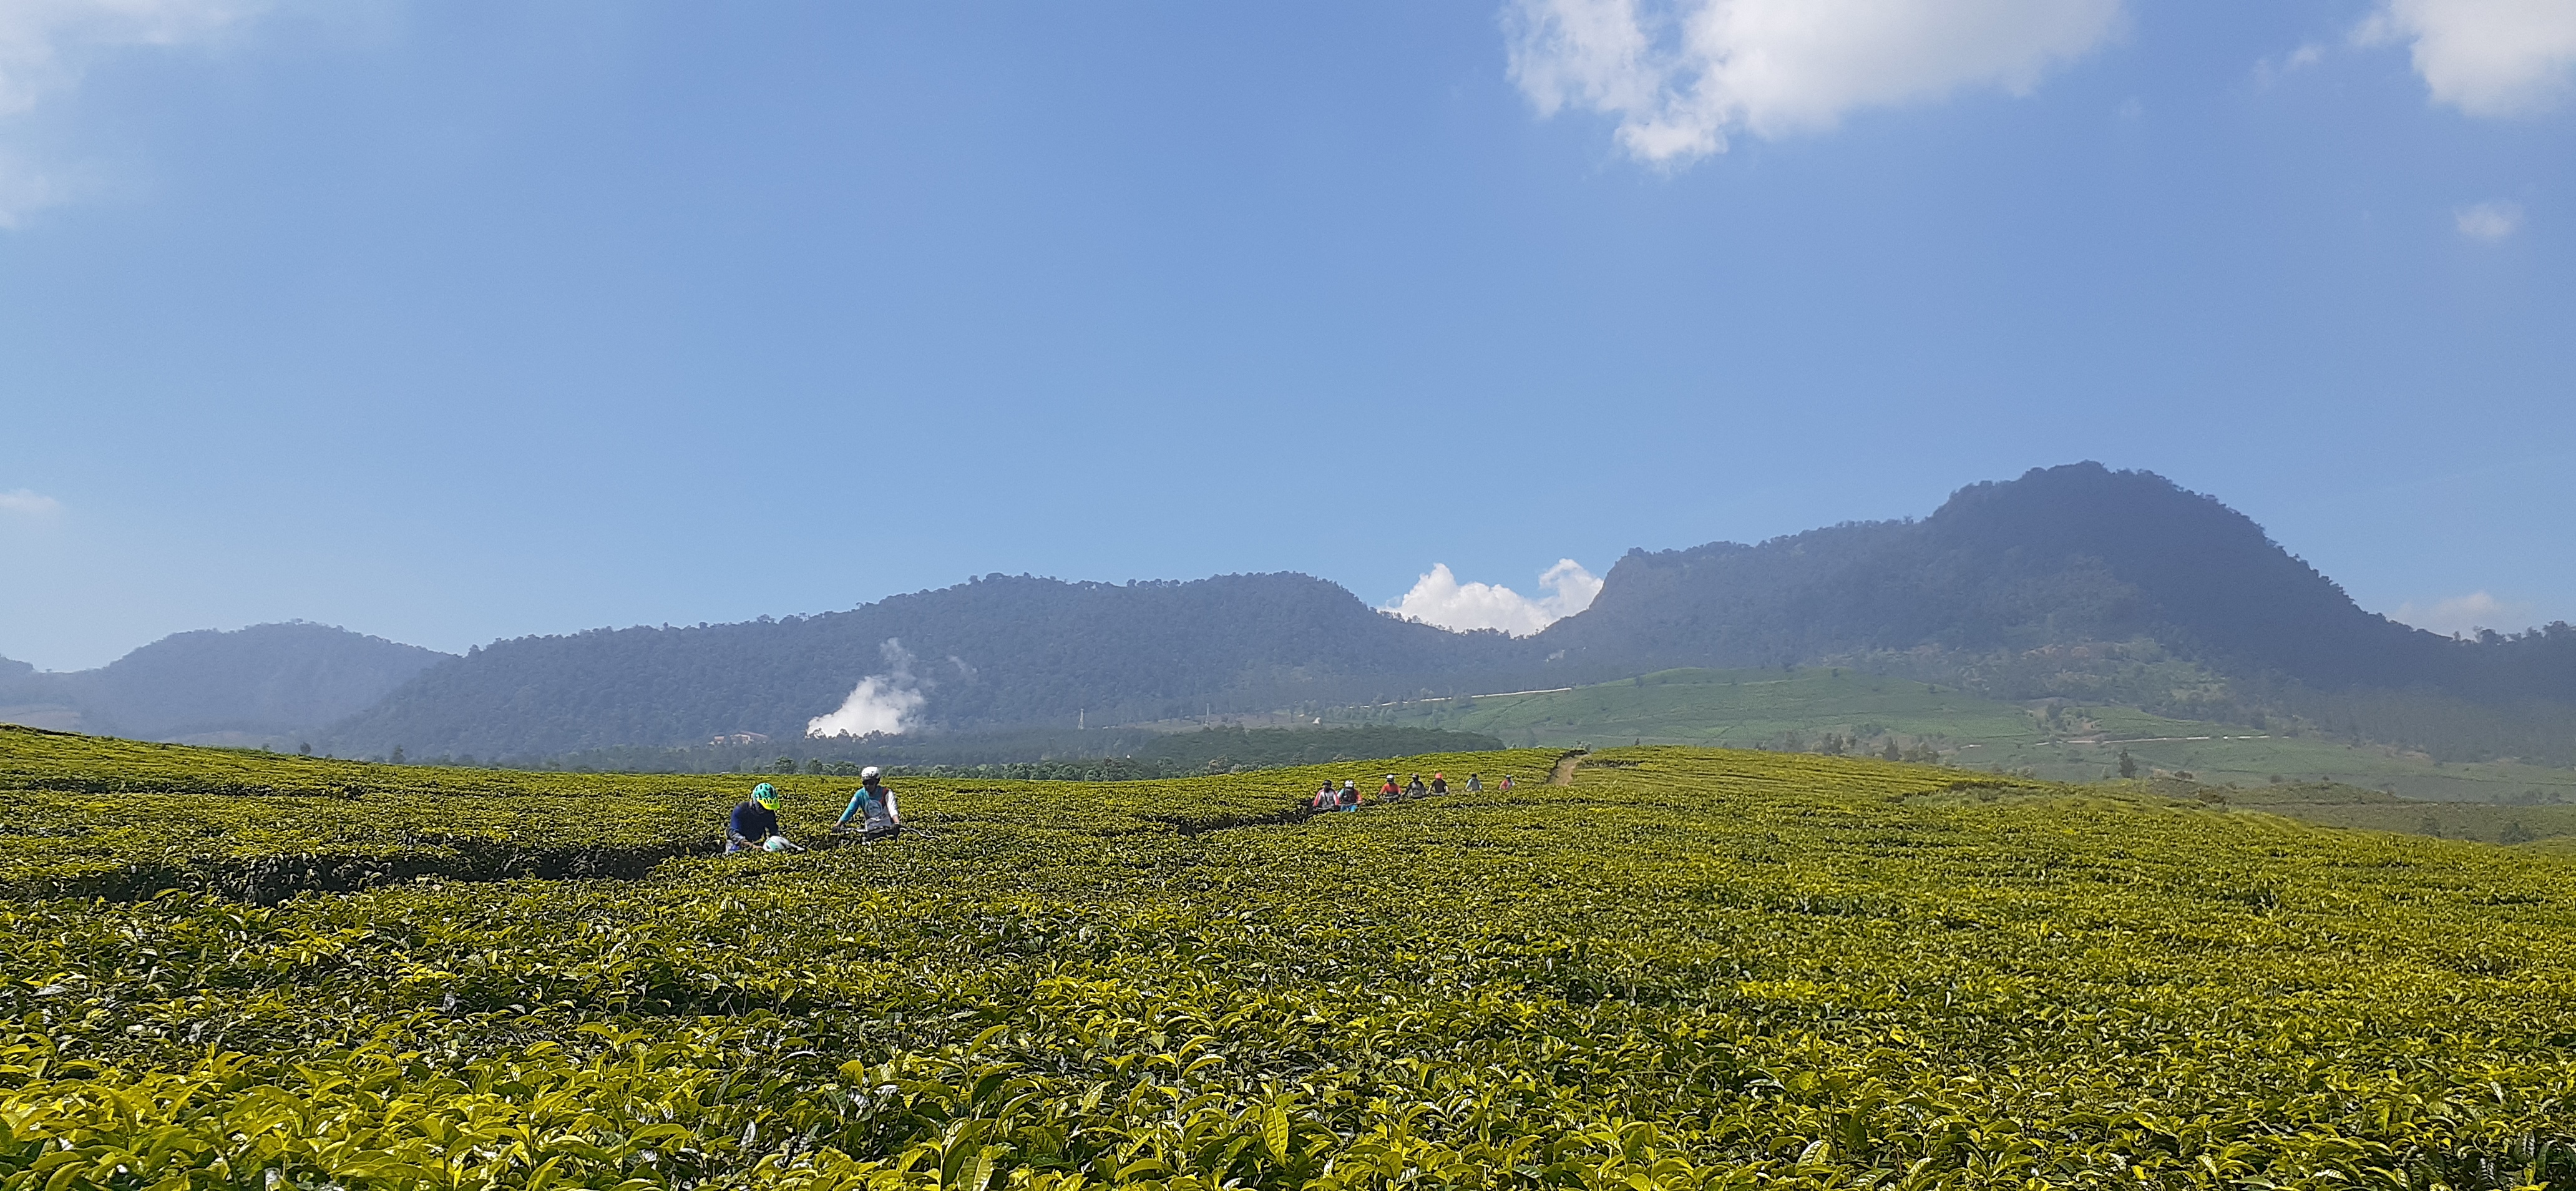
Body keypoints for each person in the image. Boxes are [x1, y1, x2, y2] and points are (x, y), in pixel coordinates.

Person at [728, 782, 802, 853]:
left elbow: (774, 832)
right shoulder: (741, 810)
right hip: (737, 844)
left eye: (768, 809)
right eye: (763, 807)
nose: (765, 811)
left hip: (757, 843)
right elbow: (733, 832)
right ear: (755, 801)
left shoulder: (769, 813)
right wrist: (750, 846)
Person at [833, 766, 902, 841]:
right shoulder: (860, 794)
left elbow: (892, 809)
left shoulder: (886, 793)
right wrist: (838, 825)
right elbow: (850, 810)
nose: (868, 786)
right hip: (871, 830)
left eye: (871, 783)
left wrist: (896, 823)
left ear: (877, 781)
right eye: (865, 783)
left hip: (887, 829)